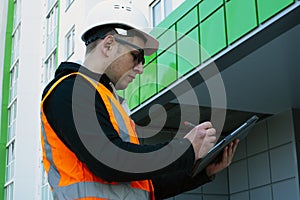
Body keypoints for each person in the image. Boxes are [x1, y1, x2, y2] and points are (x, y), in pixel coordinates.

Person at [40, 0, 239, 199]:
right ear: (108, 45)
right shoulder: (71, 90)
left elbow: (146, 187)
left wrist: (203, 170)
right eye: (137, 56)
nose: (140, 68)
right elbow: (111, 161)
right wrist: (185, 149)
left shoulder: (107, 100)